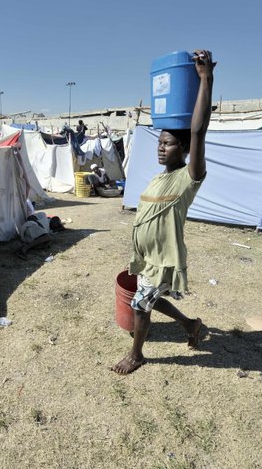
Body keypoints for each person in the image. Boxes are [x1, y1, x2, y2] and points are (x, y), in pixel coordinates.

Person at [112, 49, 215, 375]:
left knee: (140, 304)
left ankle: (137, 355)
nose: (160, 146)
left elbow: (198, 131)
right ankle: (191, 325)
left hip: (164, 259)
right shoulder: (160, 177)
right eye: (159, 142)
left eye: (168, 143)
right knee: (149, 298)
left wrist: (205, 79)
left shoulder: (189, 176)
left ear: (183, 149)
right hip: (148, 256)